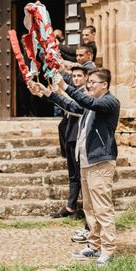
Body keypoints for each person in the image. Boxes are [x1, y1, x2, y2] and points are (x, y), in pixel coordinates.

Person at [31, 69, 120, 266]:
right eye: (88, 83)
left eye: (93, 82)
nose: (89, 86)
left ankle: (108, 250)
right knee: (89, 208)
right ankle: (94, 246)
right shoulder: (90, 106)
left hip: (100, 162)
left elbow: (89, 102)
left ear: (105, 85)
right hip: (86, 162)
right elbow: (70, 105)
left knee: (102, 208)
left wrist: (65, 86)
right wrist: (47, 92)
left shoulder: (108, 102)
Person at [49, 65, 87, 219]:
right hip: (70, 134)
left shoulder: (86, 94)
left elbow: (75, 107)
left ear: (86, 78)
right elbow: (65, 105)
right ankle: (71, 206)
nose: (76, 79)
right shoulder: (74, 92)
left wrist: (60, 93)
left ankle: (85, 207)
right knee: (72, 174)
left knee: (81, 174)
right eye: (74, 76)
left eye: (79, 76)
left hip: (79, 136)